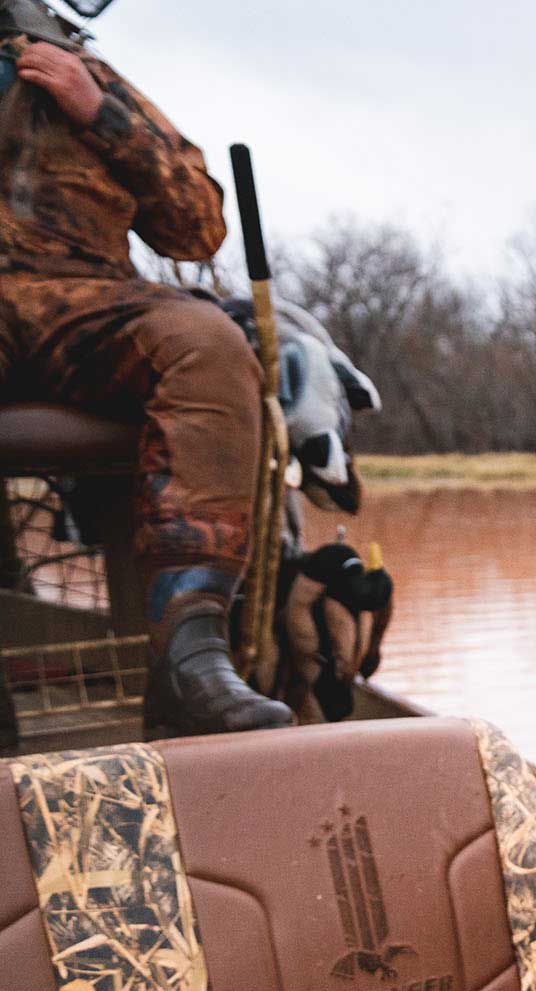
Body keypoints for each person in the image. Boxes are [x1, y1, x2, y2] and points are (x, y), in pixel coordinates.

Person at [1, 10, 290, 734]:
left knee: (209, 341)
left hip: (86, 302)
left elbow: (198, 227)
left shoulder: (85, 75)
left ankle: (187, 660)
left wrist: (99, 113)